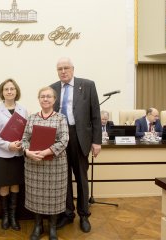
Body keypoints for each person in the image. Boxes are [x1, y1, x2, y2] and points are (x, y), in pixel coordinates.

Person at [50, 57, 102, 233]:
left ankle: (84, 214)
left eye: (66, 68)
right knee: (63, 178)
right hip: (59, 138)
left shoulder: (87, 85)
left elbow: (95, 114)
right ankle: (67, 213)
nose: (63, 71)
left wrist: (96, 141)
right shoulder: (53, 88)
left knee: (80, 177)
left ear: (73, 69)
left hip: (80, 137)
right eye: (60, 69)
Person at [22, 86, 69, 240]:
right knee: (36, 196)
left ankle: (53, 227)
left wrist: (47, 151)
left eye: (49, 96)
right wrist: (27, 151)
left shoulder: (61, 118)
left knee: (55, 196)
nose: (45, 99)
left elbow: (64, 140)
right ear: (39, 99)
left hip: (55, 165)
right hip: (34, 165)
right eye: (42, 96)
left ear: (54, 100)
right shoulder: (32, 118)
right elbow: (24, 139)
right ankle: (38, 226)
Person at [0, 79, 27, 231]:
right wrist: (7, 145)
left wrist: (20, 144)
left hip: (18, 154)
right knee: (4, 184)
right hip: (2, 154)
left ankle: (13, 216)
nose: (10, 91)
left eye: (12, 89)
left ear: (16, 91)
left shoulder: (23, 109)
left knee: (15, 184)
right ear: (2, 92)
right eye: (6, 89)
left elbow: (26, 131)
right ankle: (5, 216)